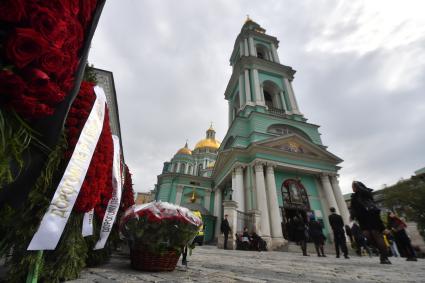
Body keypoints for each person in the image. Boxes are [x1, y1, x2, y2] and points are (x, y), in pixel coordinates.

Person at [350, 181, 391, 264]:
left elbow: (371, 203)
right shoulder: (354, 197)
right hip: (362, 218)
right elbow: (353, 208)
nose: (352, 188)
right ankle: (381, 251)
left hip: (372, 216)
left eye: (353, 186)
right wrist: (352, 216)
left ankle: (384, 257)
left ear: (357, 186)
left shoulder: (366, 193)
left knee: (377, 235)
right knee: (367, 236)